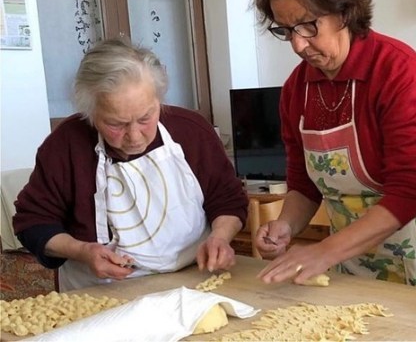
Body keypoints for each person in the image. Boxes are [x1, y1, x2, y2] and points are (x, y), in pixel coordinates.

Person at [252, 0, 416, 292]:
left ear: (344, 10)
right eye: (285, 30)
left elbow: (408, 191)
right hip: (350, 256)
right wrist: (286, 225)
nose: (298, 45)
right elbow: (303, 183)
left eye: (308, 25)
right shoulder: (296, 90)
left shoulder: (396, 70)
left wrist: (324, 251)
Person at [12, 38, 249, 291]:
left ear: (159, 100)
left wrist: (220, 237)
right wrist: (82, 250)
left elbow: (227, 198)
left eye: (146, 117)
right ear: (90, 114)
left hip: (195, 280)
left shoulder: (191, 132)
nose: (135, 136)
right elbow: (33, 222)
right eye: (116, 124)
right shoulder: (66, 145)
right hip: (98, 291)